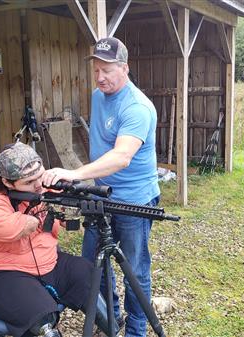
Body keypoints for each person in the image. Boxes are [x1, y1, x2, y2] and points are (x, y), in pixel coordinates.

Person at [42, 37, 160, 337]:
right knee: (93, 265)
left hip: (134, 200)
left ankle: (136, 330)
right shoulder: (98, 96)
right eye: (96, 70)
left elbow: (121, 157)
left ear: (125, 68)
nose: (100, 77)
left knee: (134, 270)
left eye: (107, 70)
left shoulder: (137, 107)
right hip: (101, 197)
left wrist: (74, 174)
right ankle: (111, 317)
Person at [0, 142, 115, 337]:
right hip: (2, 272)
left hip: (48, 262)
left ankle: (112, 330)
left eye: (40, 177)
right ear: (7, 182)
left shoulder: (39, 189)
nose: (38, 186)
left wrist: (76, 201)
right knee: (42, 315)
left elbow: (69, 212)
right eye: (29, 182)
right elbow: (27, 224)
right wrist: (51, 206)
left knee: (86, 274)